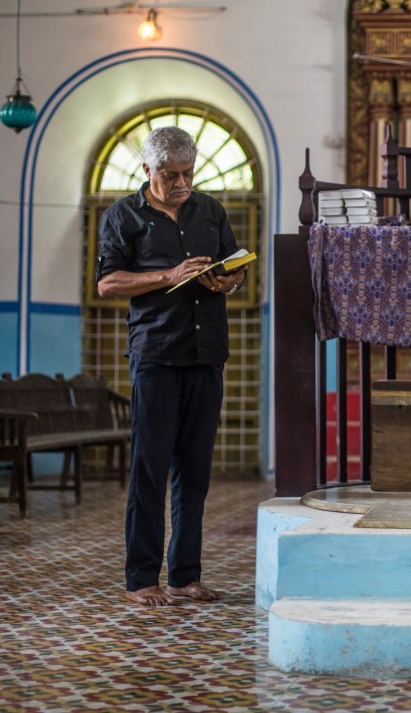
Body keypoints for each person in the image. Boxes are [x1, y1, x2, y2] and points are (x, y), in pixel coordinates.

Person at [96, 126, 248, 607]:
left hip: (207, 355)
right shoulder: (123, 216)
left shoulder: (211, 211)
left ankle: (186, 576)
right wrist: (169, 275)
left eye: (187, 173)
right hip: (156, 355)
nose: (181, 184)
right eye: (170, 175)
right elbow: (107, 284)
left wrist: (230, 281)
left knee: (195, 471)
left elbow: (235, 264)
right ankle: (141, 579)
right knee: (149, 469)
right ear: (147, 170)